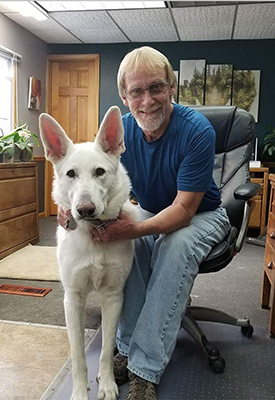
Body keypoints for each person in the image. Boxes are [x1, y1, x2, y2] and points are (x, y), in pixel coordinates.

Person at [59, 46, 230, 400]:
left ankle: (145, 370)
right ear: (125, 95)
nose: (147, 100)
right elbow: (94, 180)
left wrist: (132, 228)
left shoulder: (196, 130)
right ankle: (128, 345)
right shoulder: (120, 133)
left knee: (174, 244)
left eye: (156, 88)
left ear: (172, 88)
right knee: (127, 244)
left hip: (203, 213)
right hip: (152, 210)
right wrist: (71, 205)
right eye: (136, 91)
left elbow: (183, 212)